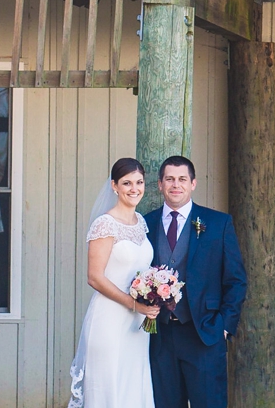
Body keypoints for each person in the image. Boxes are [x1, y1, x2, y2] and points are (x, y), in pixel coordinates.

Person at [144, 156, 247, 408]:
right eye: (169, 179)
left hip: (204, 333)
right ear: (159, 184)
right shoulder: (146, 223)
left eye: (182, 179)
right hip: (159, 337)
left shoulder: (218, 223)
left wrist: (224, 325)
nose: (175, 185)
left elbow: (236, 280)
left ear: (193, 183)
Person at [68, 157, 160, 408]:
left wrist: (154, 295)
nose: (134, 188)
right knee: (109, 386)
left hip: (136, 324)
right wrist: (134, 304)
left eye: (139, 182)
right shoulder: (105, 224)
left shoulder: (140, 222)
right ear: (114, 186)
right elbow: (94, 277)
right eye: (127, 183)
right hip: (109, 319)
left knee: (133, 384)